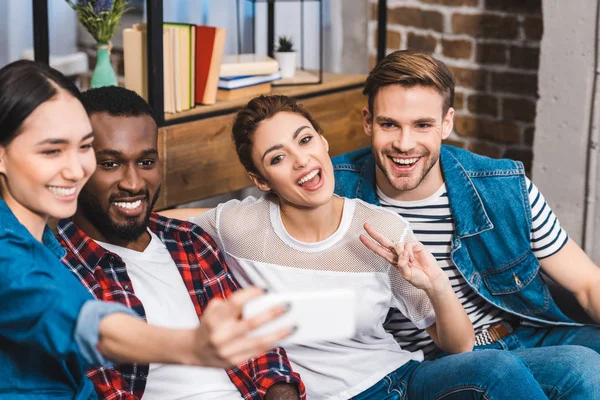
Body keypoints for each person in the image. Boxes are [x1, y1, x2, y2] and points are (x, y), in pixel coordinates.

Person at [166, 94, 561, 399]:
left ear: (322, 142)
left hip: (403, 379)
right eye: (278, 158)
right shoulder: (238, 227)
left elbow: (457, 346)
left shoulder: (381, 228)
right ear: (261, 179)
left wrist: (435, 284)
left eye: (306, 140)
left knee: (538, 370)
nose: (302, 161)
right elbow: (156, 226)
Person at [0, 60, 292, 399]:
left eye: (82, 147)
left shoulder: (45, 246)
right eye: (52, 150)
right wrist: (191, 345)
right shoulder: (16, 256)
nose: (75, 169)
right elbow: (87, 325)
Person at [332, 49, 600, 396]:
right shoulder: (334, 191)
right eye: (389, 124)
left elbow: (587, 285)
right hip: (436, 361)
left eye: (423, 125)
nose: (404, 144)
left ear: (447, 123)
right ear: (368, 121)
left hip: (525, 335)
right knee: (582, 369)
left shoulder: (502, 187)